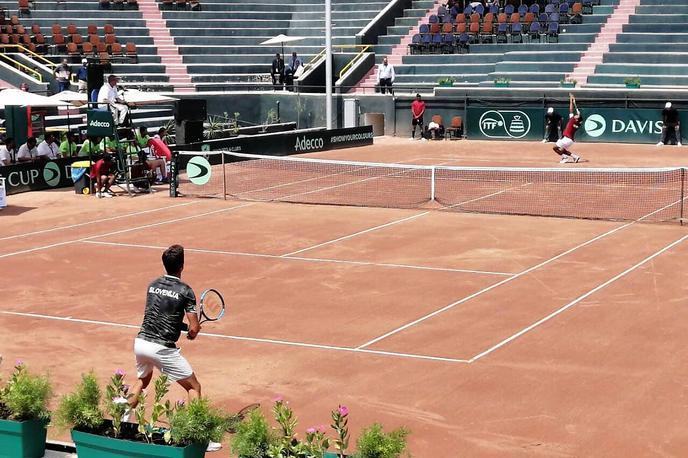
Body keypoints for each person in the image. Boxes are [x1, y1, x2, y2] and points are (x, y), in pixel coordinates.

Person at [126, 245, 221, 452]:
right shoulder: (185, 291)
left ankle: (123, 420)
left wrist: (186, 328)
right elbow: (194, 327)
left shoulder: (152, 285)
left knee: (143, 379)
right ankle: (199, 438)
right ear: (182, 266)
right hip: (162, 348)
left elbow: (163, 317)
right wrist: (193, 331)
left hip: (141, 343)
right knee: (194, 387)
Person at [553, 94, 583, 163]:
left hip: (567, 139)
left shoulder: (573, 120)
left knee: (555, 147)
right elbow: (574, 114)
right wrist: (572, 100)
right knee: (562, 150)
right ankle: (574, 157)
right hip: (569, 140)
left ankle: (566, 158)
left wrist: (570, 100)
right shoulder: (576, 122)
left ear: (577, 119)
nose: (575, 115)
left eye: (577, 115)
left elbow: (571, 109)